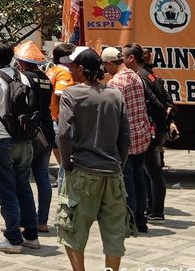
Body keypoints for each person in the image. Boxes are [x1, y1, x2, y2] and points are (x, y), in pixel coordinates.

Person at [57, 47, 131, 271]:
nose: (70, 70)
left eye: (72, 66)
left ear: (80, 69)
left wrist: (67, 163)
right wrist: (120, 163)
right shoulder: (115, 95)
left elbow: (63, 134)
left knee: (72, 231)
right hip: (113, 174)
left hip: (83, 172)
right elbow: (125, 137)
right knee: (114, 234)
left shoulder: (71, 95)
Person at [0, 41, 39, 254]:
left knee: (6, 191)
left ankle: (13, 238)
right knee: (23, 187)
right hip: (24, 139)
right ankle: (31, 234)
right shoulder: (23, 77)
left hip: (0, 140)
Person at [101, 46, 152, 233]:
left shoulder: (116, 83)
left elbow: (112, 114)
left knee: (127, 182)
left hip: (127, 139)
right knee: (139, 179)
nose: (105, 70)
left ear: (109, 63)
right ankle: (141, 221)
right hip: (141, 134)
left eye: (106, 66)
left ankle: (129, 222)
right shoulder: (135, 76)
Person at [131, 45, 177, 222]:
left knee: (152, 171)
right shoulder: (154, 75)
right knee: (151, 171)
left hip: (152, 128)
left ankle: (156, 211)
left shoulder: (141, 77)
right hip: (159, 128)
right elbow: (168, 100)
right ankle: (152, 209)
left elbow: (153, 101)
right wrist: (169, 118)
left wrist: (161, 117)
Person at [13, 40, 54, 234]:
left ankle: (24, 220)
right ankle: (42, 221)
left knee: (22, 178)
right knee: (42, 176)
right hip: (47, 132)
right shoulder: (46, 78)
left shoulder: (24, 78)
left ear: (22, 61)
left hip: (30, 132)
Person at [47, 43, 76, 189]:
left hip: (53, 118)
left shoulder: (52, 71)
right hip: (61, 120)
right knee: (68, 160)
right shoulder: (64, 73)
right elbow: (61, 94)